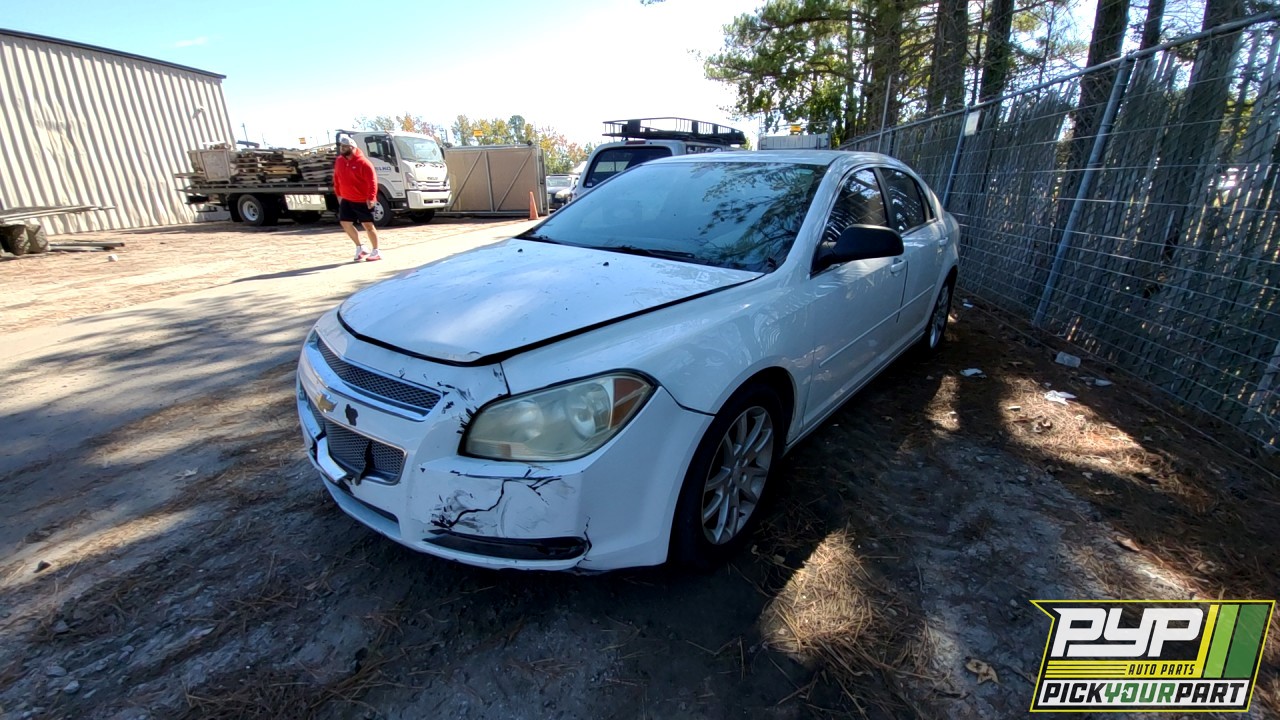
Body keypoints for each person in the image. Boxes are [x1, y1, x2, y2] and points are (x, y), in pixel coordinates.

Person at [333, 136, 381, 262]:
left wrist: (371, 198)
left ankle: (376, 251)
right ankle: (360, 247)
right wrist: (338, 193)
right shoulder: (339, 161)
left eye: (345, 147)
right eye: (341, 147)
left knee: (368, 225)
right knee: (345, 223)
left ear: (352, 147)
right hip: (347, 199)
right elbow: (337, 178)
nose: (342, 149)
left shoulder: (364, 163)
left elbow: (373, 182)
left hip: (362, 200)